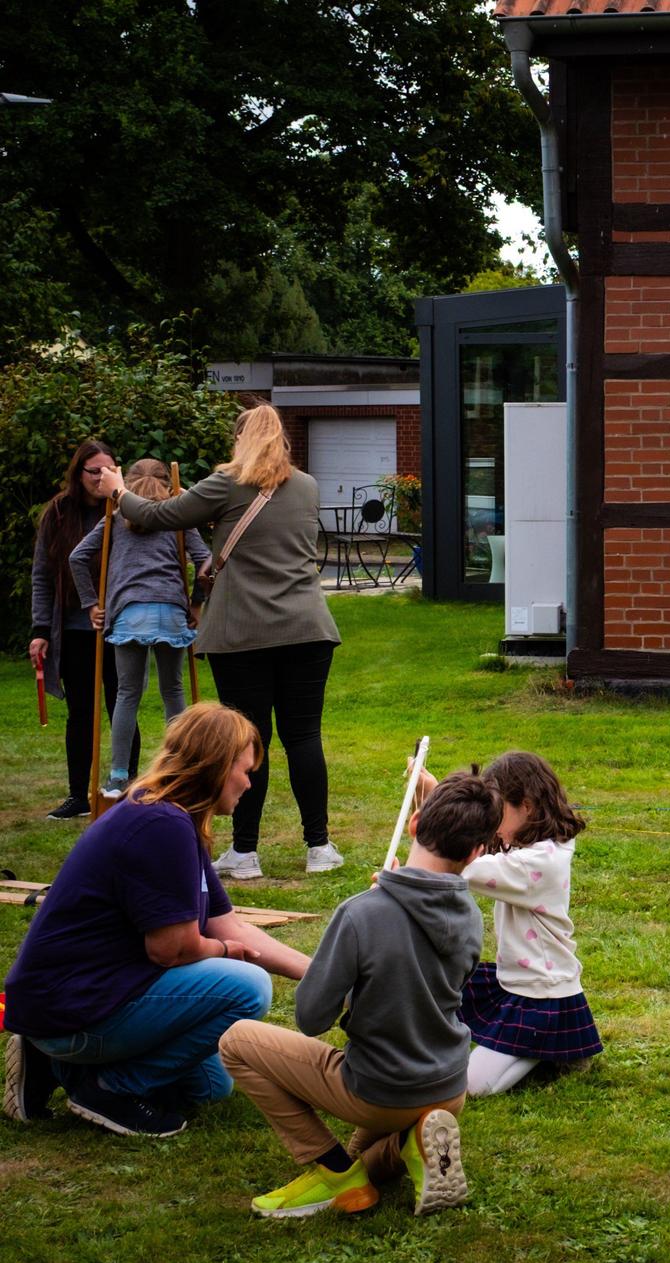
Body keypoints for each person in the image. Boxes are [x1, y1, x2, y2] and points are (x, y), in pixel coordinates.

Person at [2, 703, 310, 1138]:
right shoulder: (159, 825)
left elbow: (228, 924)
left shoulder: (172, 817)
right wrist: (225, 954)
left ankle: (51, 1065)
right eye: (245, 769)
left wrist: (319, 974)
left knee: (209, 1084)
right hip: (75, 1008)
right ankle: (110, 1088)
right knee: (248, 986)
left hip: (85, 999)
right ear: (216, 766)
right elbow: (172, 949)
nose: (249, 781)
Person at [217, 773, 493, 1219]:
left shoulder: (362, 912)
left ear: (414, 823)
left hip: (379, 1089)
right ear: (477, 852)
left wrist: (359, 935)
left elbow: (311, 1017)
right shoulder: (472, 917)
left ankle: (331, 1173)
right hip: (447, 1087)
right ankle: (414, 1142)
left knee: (236, 1042)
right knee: (364, 1159)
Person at [97, 403, 344, 878]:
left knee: (250, 742)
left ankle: (246, 854)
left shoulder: (226, 483)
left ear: (240, 439)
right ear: (284, 440)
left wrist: (118, 490)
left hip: (242, 632)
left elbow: (159, 514)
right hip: (307, 628)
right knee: (304, 737)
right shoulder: (307, 486)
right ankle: (319, 847)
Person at [449, 752, 602, 1095]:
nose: (489, 823)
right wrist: (435, 794)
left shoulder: (538, 863)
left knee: (471, 1085)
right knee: (441, 1008)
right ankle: (549, 1049)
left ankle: (550, 1047)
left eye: (495, 811)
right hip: (519, 981)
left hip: (542, 995)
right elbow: (487, 854)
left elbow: (468, 867)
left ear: (528, 807)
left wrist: (423, 856)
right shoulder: (532, 846)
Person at [69, 459, 211, 798]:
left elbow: (77, 557)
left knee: (127, 693)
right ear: (168, 486)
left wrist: (91, 603)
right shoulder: (178, 519)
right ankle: (178, 765)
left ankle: (118, 775)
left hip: (129, 612)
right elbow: (207, 560)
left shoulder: (114, 518)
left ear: (125, 484)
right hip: (170, 611)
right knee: (172, 691)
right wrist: (195, 602)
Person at [27, 440, 139, 820]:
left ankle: (128, 790)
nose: (101, 477)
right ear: (79, 474)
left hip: (120, 625)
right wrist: (40, 629)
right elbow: (42, 574)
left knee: (121, 703)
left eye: (109, 469)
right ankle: (79, 794)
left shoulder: (126, 507)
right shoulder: (59, 514)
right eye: (94, 471)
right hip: (75, 628)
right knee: (81, 711)